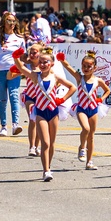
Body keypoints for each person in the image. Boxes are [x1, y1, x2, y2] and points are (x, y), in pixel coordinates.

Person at [12, 48, 76, 181]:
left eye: (45, 62)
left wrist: (62, 99)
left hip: (53, 112)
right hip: (40, 112)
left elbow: (72, 87)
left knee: (52, 143)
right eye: (40, 62)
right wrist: (16, 57)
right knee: (45, 143)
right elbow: (21, 68)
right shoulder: (36, 76)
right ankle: (46, 170)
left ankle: (49, 166)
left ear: (52, 63)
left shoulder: (55, 77)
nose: (42, 64)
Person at [58, 50, 111, 170]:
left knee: (91, 136)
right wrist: (62, 60)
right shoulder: (79, 78)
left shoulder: (98, 80)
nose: (86, 68)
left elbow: (107, 90)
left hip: (93, 109)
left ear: (95, 67)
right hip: (81, 108)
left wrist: (101, 98)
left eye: (89, 66)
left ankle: (89, 161)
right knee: (86, 129)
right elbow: (69, 67)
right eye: (84, 66)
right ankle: (82, 147)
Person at [0, 11, 26, 137]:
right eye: (9, 21)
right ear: (3, 22)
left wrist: (24, 69)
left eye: (13, 21)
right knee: (2, 100)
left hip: (14, 71)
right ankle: (3, 126)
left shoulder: (19, 39)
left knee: (14, 95)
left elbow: (23, 57)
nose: (11, 23)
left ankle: (15, 124)